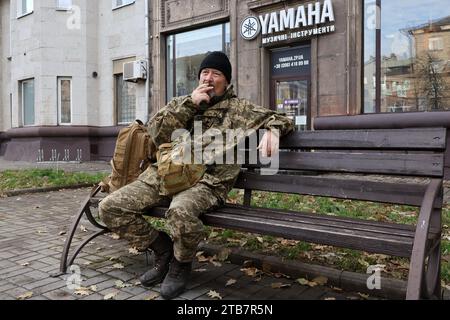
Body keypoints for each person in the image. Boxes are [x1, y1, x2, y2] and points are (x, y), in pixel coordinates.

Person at [99, 51, 294, 299]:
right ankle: (163, 250)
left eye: (216, 73)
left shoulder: (240, 109)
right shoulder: (184, 103)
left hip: (206, 183)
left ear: (227, 80)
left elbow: (282, 118)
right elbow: (156, 132)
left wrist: (273, 131)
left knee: (180, 211)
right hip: (165, 175)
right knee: (110, 207)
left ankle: (181, 264)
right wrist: (190, 104)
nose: (209, 78)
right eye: (205, 73)